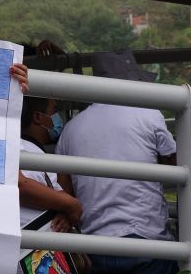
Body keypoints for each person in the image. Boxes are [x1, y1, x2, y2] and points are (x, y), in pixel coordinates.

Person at [56, 50, 178, 274]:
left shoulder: (71, 128)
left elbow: (63, 188)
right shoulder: (149, 114)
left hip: (94, 248)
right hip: (149, 243)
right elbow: (175, 164)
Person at [19, 96, 81, 231]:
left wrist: (63, 211)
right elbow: (21, 186)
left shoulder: (38, 154)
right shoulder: (22, 150)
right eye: (54, 110)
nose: (58, 117)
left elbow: (58, 196)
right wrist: (71, 205)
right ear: (37, 117)